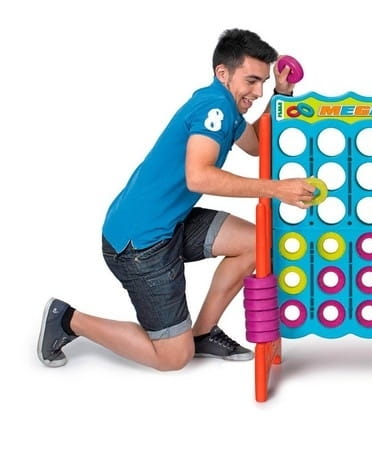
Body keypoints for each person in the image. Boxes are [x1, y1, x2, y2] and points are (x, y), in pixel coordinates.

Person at [37, 28, 316, 371]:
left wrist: (281, 93)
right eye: (252, 81)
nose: (258, 92)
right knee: (172, 357)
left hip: (172, 223)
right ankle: (67, 319)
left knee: (258, 242)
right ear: (223, 73)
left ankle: (203, 333)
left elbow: (258, 144)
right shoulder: (214, 106)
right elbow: (199, 176)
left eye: (263, 82)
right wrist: (276, 188)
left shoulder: (225, 107)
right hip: (140, 244)